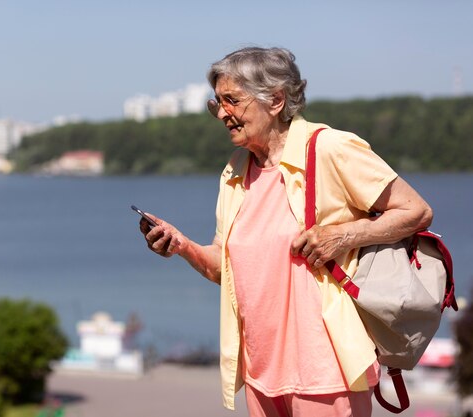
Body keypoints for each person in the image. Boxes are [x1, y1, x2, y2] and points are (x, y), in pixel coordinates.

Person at [137, 47, 433, 417]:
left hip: (326, 372)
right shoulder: (235, 172)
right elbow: (224, 270)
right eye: (217, 104)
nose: (223, 114)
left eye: (232, 100)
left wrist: (342, 235)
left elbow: (416, 211)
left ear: (276, 100)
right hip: (261, 373)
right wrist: (181, 246)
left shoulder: (328, 148)